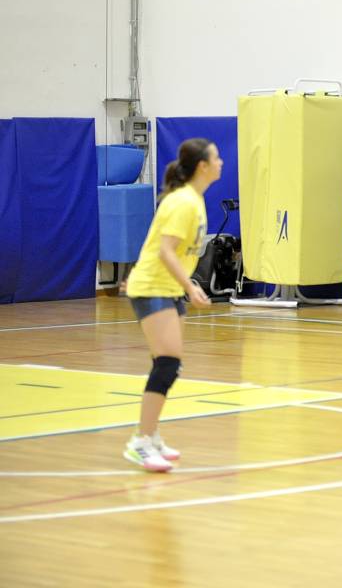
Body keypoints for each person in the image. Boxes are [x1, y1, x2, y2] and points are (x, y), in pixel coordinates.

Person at [122, 138, 223, 470]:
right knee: (167, 364)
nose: (221, 162)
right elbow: (165, 251)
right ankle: (140, 442)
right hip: (153, 286)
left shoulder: (194, 199)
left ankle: (150, 435)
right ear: (202, 166)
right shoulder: (183, 202)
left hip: (169, 288)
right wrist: (191, 287)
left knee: (168, 365)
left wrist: (185, 286)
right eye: (216, 158)